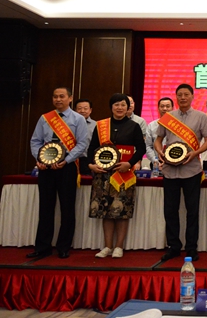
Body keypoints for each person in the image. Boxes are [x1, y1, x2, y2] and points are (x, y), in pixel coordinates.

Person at [154, 84, 207, 261]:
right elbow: (158, 139)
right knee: (170, 210)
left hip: (192, 169)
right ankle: (173, 246)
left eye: (186, 94)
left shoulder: (201, 117)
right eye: (179, 95)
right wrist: (160, 152)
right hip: (170, 170)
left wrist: (195, 153)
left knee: (192, 211)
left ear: (192, 96)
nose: (182, 97)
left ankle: (191, 248)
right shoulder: (168, 117)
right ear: (176, 97)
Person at [28, 87, 88, 259]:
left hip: (67, 167)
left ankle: (63, 246)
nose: (58, 99)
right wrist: (39, 159)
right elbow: (35, 141)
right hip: (46, 168)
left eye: (62, 96)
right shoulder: (45, 118)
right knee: (45, 208)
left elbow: (82, 144)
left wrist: (66, 160)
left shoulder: (78, 119)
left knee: (67, 208)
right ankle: (43, 247)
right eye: (55, 96)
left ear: (70, 98)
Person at [88, 93, 145, 258]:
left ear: (128, 108)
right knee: (105, 211)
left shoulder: (134, 126)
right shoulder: (101, 126)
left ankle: (119, 246)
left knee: (121, 211)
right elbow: (92, 148)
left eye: (123, 105)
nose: (119, 108)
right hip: (103, 174)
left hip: (123, 174)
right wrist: (91, 165)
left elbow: (141, 148)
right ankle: (107, 246)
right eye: (116, 105)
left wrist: (130, 163)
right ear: (111, 107)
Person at [145, 97, 174, 164]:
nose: (165, 109)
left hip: (175, 162)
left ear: (172, 108)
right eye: (162, 106)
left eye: (168, 106)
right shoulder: (151, 125)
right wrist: (155, 160)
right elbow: (148, 146)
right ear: (158, 108)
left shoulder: (178, 125)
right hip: (156, 163)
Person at [75, 99, 96, 175]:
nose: (82, 111)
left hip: (89, 160)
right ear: (75, 110)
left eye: (85, 108)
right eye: (79, 108)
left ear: (90, 110)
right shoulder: (69, 125)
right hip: (72, 159)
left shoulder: (96, 125)